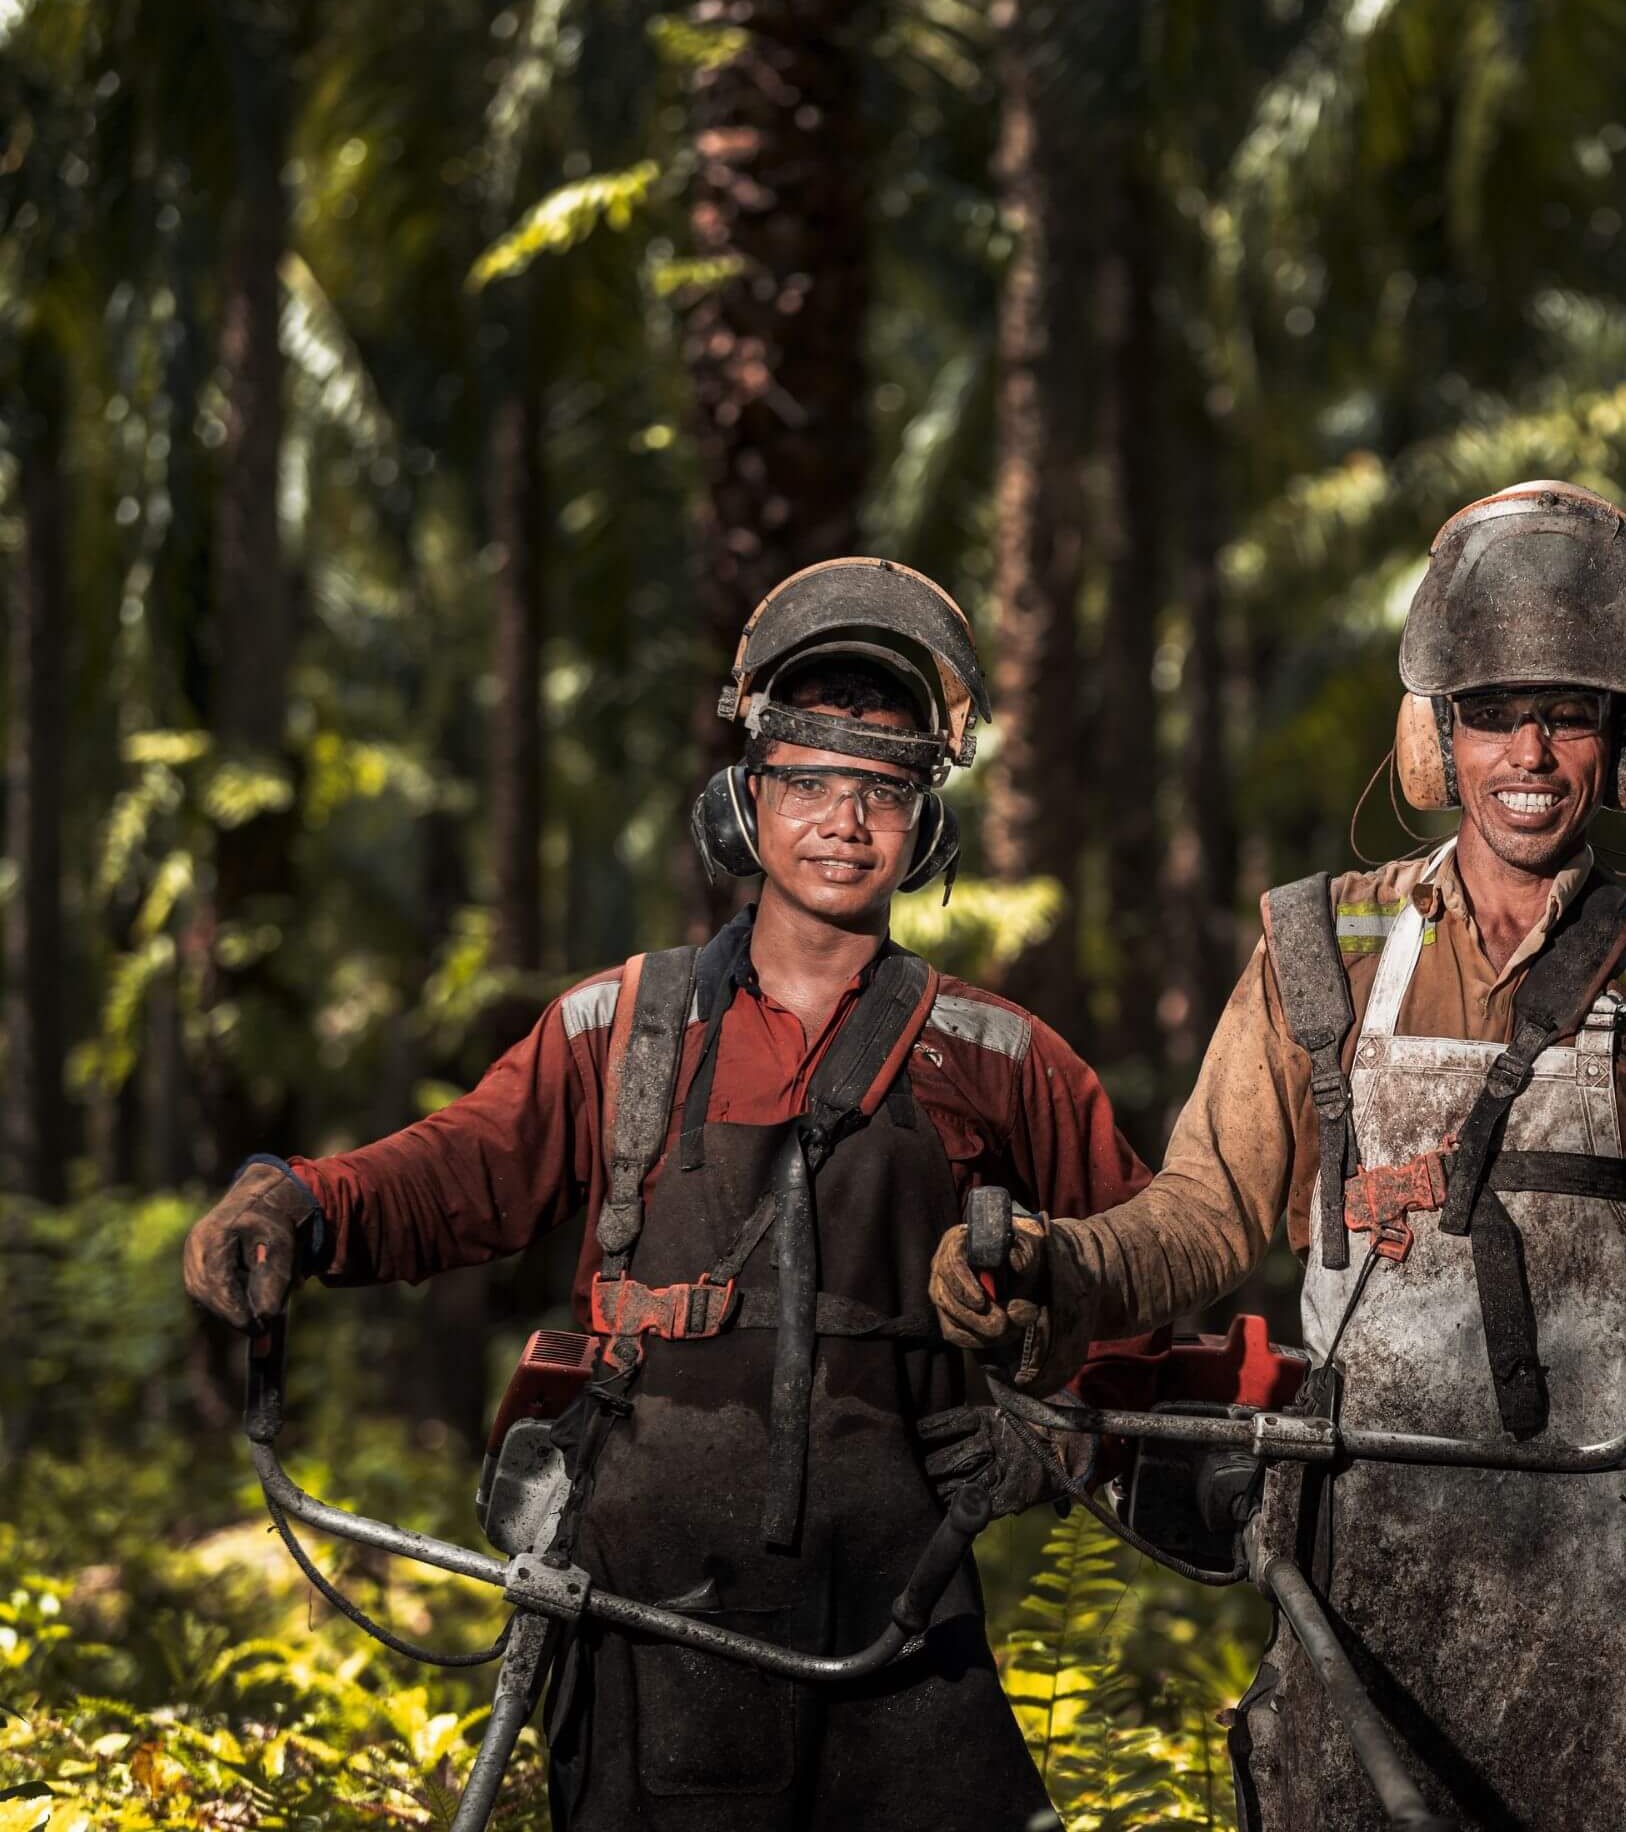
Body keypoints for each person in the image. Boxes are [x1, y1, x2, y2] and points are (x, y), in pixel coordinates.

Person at [182, 557, 1147, 1830]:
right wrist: (295, 1202)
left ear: (928, 824)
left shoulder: (1000, 1053)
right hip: (648, 1592)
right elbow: (465, 1165)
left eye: (882, 789)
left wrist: (1065, 1432)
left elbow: (1149, 1264)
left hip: (897, 1602)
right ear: (747, 801)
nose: (843, 822)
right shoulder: (622, 1025)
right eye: (808, 782)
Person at [932, 481, 1626, 1831]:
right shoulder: (1316, 954)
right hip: (1366, 1585)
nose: (1532, 754)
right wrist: (1061, 1268)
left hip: (1615, 1579)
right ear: (1431, 737)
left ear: (1625, 748)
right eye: (1494, 712)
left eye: (1569, 714)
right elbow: (1205, 1213)